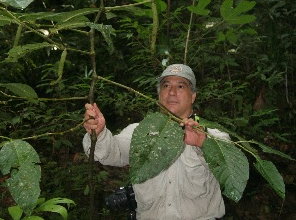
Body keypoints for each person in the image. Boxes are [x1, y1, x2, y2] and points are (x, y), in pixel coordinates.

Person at [83, 64, 230, 220]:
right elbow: (111, 152)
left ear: (193, 95)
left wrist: (204, 144)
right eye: (166, 86)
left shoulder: (212, 135)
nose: (172, 92)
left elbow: (227, 167)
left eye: (180, 86)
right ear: (159, 94)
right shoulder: (140, 132)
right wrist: (98, 133)